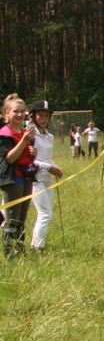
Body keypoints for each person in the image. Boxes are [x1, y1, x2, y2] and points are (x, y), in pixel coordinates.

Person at [0, 94, 37, 257]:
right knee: (12, 219)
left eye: (23, 111)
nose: (20, 114)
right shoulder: (4, 132)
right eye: (16, 111)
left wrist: (33, 153)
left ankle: (20, 251)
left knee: (21, 219)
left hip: (26, 177)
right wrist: (24, 141)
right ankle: (9, 252)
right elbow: (9, 158)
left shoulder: (24, 131)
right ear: (6, 113)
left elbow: (24, 156)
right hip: (12, 178)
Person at [27, 101, 63, 253]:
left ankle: (37, 244)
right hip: (34, 178)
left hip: (46, 178)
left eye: (46, 116)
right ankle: (36, 247)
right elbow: (29, 159)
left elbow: (47, 157)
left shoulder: (49, 136)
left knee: (47, 213)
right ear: (34, 116)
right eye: (40, 115)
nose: (43, 118)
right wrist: (49, 167)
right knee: (45, 213)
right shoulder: (30, 134)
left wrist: (56, 168)